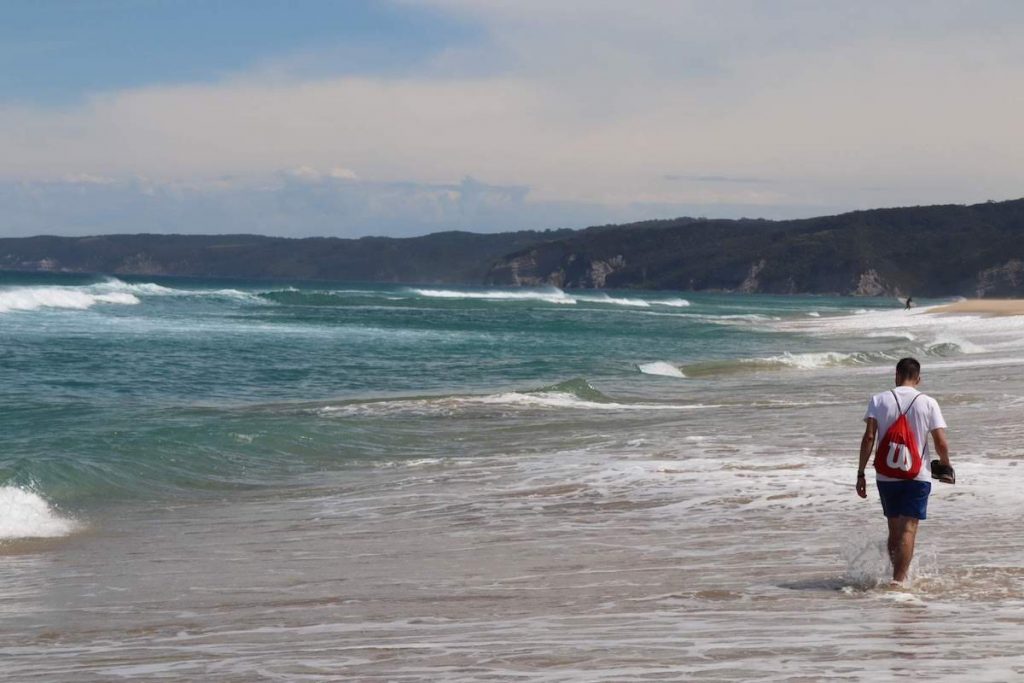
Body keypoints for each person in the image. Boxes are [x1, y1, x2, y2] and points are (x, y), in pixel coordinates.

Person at [856, 357, 952, 584]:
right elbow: (941, 443)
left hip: (886, 475)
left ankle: (895, 575)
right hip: (917, 475)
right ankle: (899, 581)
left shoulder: (878, 400)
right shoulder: (928, 402)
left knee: (894, 529)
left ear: (896, 375)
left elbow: (869, 437)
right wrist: (945, 465)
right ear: (918, 379)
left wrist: (860, 473)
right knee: (908, 529)